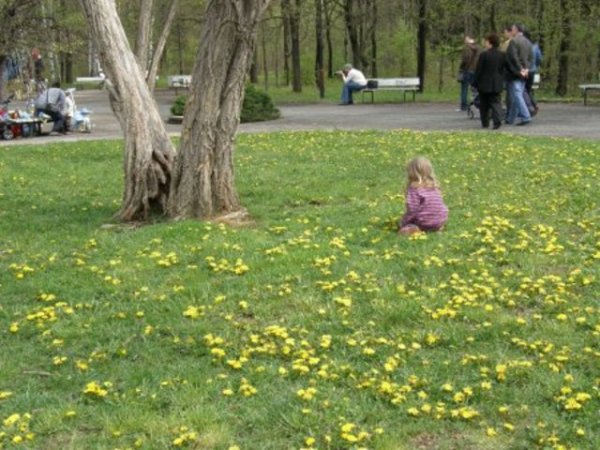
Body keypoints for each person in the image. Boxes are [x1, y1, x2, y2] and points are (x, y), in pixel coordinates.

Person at [398, 156, 448, 235]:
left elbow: (412, 209)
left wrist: (404, 221)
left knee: (408, 225)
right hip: (440, 219)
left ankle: (415, 228)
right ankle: (436, 228)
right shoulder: (434, 186)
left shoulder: (415, 187)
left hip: (424, 221)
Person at [473, 32, 506, 130]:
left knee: (484, 104)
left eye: (486, 41)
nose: (485, 43)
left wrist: (475, 81)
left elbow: (479, 70)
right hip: (497, 82)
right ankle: (497, 120)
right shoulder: (502, 55)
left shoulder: (484, 55)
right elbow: (502, 69)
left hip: (484, 83)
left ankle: (485, 122)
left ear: (490, 42)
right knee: (496, 102)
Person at [505, 23, 533, 126]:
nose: (511, 31)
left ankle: (526, 116)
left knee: (517, 94)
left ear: (516, 30)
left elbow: (513, 57)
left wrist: (520, 69)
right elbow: (531, 58)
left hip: (515, 72)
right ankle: (510, 118)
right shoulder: (528, 42)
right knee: (517, 94)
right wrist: (526, 69)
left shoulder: (514, 41)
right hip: (525, 72)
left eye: (512, 29)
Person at [457, 35, 481, 111]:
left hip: (468, 70)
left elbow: (465, 60)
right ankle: (478, 104)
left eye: (466, 39)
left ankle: (464, 105)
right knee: (475, 89)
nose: (465, 41)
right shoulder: (479, 48)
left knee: (464, 88)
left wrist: (461, 68)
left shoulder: (467, 49)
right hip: (476, 70)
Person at [524, 30, 542, 115]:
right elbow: (539, 59)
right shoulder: (535, 47)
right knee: (528, 89)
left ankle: (531, 106)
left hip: (526, 70)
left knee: (524, 90)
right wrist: (535, 65)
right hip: (533, 70)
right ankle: (533, 105)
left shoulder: (525, 46)